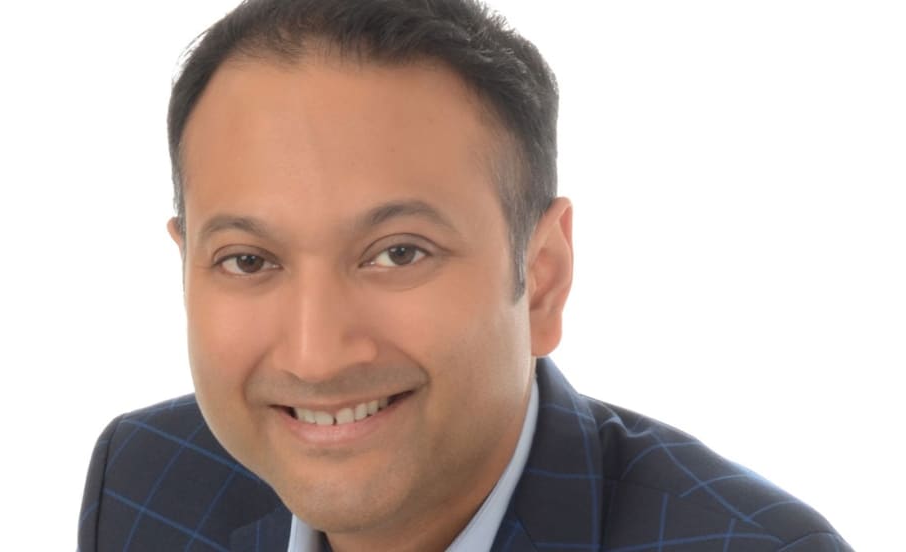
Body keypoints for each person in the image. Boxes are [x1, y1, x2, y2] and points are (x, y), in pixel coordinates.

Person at [77, 1, 851, 550]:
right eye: (248, 260)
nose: (316, 356)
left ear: (542, 278)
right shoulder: (145, 479)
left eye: (398, 253)